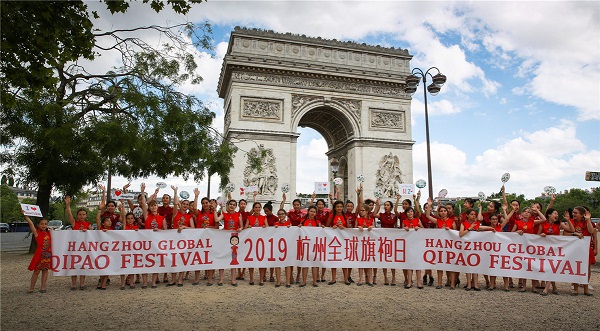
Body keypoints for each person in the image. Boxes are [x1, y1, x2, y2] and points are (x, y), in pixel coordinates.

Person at [506, 205, 546, 292]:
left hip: (531, 247)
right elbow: (511, 233)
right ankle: (523, 286)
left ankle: (533, 286)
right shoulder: (517, 222)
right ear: (522, 213)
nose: (527, 213)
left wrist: (537, 210)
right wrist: (517, 232)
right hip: (522, 247)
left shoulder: (532, 222)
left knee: (532, 266)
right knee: (524, 266)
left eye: (529, 212)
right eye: (526, 211)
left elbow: (544, 219)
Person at [539, 208, 574, 295]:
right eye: (555, 213)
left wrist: (568, 220)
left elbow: (572, 230)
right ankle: (554, 288)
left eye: (557, 214)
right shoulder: (542, 224)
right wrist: (542, 235)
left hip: (555, 250)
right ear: (549, 215)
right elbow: (536, 237)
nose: (557, 215)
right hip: (545, 250)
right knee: (550, 268)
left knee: (552, 267)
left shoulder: (559, 224)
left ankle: (546, 289)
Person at [459, 207, 494, 291]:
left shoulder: (476, 224)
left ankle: (476, 284)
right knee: (468, 265)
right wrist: (469, 229)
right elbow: (461, 234)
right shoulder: (463, 223)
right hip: (467, 247)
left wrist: (490, 228)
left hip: (475, 248)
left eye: (474, 214)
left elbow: (482, 227)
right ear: (467, 215)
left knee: (475, 265)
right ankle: (468, 284)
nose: (473, 216)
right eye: (471, 214)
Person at [424, 198, 455, 289]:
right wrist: (429, 205)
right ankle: (439, 283)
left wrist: (450, 230)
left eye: (444, 211)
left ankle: (452, 283)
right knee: (440, 264)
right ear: (439, 212)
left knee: (451, 264)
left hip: (449, 245)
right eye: (441, 211)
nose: (443, 212)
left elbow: (456, 233)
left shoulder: (452, 221)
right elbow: (428, 216)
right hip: (440, 245)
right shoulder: (438, 221)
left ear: (447, 212)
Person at [140, 183, 167, 288]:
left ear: (157, 206)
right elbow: (143, 204)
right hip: (147, 242)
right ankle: (145, 282)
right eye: (151, 205)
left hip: (157, 243)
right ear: (150, 207)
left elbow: (166, 231)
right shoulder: (147, 216)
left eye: (155, 205)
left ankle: (153, 282)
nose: (153, 207)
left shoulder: (162, 218)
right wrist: (142, 192)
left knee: (156, 263)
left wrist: (159, 230)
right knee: (145, 262)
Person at [64, 195, 92, 290]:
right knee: (74, 265)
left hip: (84, 248)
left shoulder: (88, 224)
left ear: (86, 215)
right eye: (80, 214)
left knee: (83, 265)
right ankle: (74, 284)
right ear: (77, 215)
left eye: (83, 214)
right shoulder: (74, 223)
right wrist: (68, 205)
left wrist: (87, 231)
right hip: (75, 248)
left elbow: (93, 235)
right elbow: (69, 214)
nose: (82, 216)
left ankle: (82, 283)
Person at [216, 198, 244, 287]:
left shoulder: (238, 214)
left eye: (234, 205)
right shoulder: (224, 214)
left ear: (236, 207)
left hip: (233, 238)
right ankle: (221, 279)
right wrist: (215, 209)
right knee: (223, 257)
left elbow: (241, 226)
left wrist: (240, 228)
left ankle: (233, 279)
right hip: (225, 238)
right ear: (228, 205)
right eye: (230, 204)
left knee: (233, 258)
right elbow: (217, 220)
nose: (232, 206)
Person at [24, 213, 51, 293]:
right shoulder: (37, 233)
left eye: (45, 224)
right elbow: (31, 224)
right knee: (36, 271)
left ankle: (43, 287)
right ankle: (32, 287)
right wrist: (26, 216)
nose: (44, 225)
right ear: (38, 225)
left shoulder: (49, 233)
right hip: (39, 255)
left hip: (47, 254)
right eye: (42, 224)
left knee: (45, 271)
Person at [244, 201, 269, 286]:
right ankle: (251, 278)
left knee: (261, 260)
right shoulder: (249, 217)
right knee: (251, 260)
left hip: (261, 242)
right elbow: (245, 228)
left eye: (259, 207)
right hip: (252, 242)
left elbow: (268, 228)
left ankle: (261, 278)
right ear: (253, 208)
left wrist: (265, 227)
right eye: (256, 207)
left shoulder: (264, 217)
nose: (257, 209)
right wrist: (248, 227)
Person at [281, 193, 304, 284]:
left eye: (298, 205)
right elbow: (281, 210)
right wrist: (284, 200)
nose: (296, 206)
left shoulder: (303, 214)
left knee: (299, 258)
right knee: (290, 257)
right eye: (295, 205)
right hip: (291, 238)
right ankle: (290, 276)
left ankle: (298, 275)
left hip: (300, 238)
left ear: (300, 205)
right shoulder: (290, 213)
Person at [326, 200, 348, 285]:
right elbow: (327, 227)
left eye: (340, 207)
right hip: (334, 240)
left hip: (343, 240)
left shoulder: (345, 216)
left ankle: (345, 278)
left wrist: (343, 227)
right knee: (333, 258)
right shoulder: (331, 216)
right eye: (337, 207)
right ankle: (333, 278)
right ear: (335, 208)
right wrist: (333, 227)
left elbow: (349, 228)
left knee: (344, 259)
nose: (339, 208)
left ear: (343, 208)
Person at [298, 205, 320, 287]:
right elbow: (299, 230)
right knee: (305, 263)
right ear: (308, 212)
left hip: (314, 245)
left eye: (314, 212)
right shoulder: (303, 221)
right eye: (311, 211)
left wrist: (322, 228)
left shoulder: (318, 222)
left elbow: (321, 232)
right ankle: (304, 281)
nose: (312, 213)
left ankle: (314, 281)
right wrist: (299, 227)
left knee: (314, 263)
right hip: (305, 245)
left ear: (316, 213)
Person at [402, 204, 423, 289]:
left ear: (413, 213)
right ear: (406, 213)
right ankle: (409, 282)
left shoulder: (417, 220)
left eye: (411, 211)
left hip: (417, 244)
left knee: (418, 264)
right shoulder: (404, 221)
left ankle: (419, 282)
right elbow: (401, 233)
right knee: (409, 264)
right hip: (408, 245)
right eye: (408, 212)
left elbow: (424, 230)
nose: (410, 213)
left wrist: (419, 228)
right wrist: (404, 229)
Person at [378, 200, 398, 286]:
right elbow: (374, 214)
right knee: (384, 258)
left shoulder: (394, 216)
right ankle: (385, 277)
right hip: (383, 238)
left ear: (391, 207)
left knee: (392, 258)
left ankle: (393, 277)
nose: (386, 206)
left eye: (387, 205)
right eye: (385, 205)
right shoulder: (381, 215)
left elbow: (396, 225)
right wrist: (377, 204)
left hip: (392, 238)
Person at [273, 209, 292, 287]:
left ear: (285, 215)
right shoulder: (275, 224)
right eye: (279, 214)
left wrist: (290, 227)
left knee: (287, 264)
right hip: (277, 246)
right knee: (277, 264)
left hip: (287, 246)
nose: (281, 216)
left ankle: (287, 281)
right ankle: (278, 281)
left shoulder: (289, 224)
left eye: (282, 214)